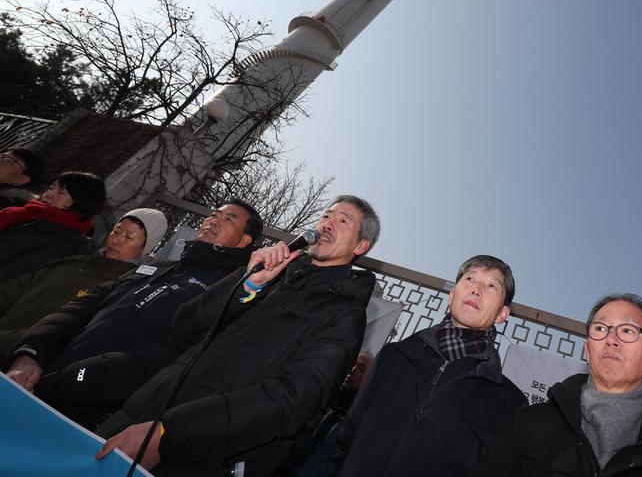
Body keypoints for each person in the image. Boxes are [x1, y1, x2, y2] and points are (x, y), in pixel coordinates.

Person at [95, 195, 380, 477]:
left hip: (200, 455)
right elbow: (185, 329)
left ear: (360, 245)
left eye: (343, 221)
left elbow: (291, 400)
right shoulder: (270, 275)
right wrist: (247, 284)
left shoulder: (345, 314)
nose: (328, 224)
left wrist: (170, 433)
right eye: (326, 216)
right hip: (140, 417)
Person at [5, 200, 261, 430]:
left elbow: (163, 360)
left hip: (81, 416)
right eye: (214, 214)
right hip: (31, 379)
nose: (214, 220)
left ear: (243, 242)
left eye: (229, 219)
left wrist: (70, 380)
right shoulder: (155, 267)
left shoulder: (226, 293)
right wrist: (31, 353)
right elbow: (79, 308)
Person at [471, 293, 642, 477]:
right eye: (601, 328)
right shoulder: (530, 423)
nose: (611, 339)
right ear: (587, 350)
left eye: (628, 331)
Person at [334, 254, 526, 477]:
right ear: (452, 295)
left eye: (492, 285)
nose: (477, 289)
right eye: (470, 279)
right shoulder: (393, 356)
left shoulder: (508, 403)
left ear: (503, 314)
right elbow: (348, 437)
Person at [0, 207, 169, 360]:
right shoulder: (73, 264)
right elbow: (10, 292)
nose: (117, 240)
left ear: (144, 249)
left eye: (129, 237)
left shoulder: (123, 290)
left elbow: (69, 336)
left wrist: (10, 342)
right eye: (116, 232)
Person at [277, 352, 374, 477]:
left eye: (360, 368)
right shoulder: (321, 404)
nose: (352, 370)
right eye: (352, 364)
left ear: (371, 380)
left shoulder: (358, 426)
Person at [0, 171, 107, 282]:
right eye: (51, 188)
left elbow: (13, 276)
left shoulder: (64, 245)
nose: (49, 194)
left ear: (81, 202)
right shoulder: (26, 215)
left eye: (60, 192)